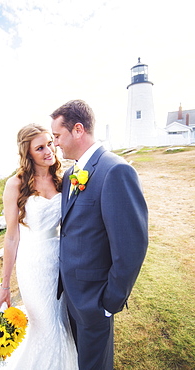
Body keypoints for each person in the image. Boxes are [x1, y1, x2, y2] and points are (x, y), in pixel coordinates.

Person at [0, 124, 78, 370]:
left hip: (61, 260)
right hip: (33, 264)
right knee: (46, 325)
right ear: (28, 153)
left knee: (61, 321)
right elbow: (11, 237)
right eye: (40, 148)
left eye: (49, 143)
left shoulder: (62, 178)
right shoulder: (16, 184)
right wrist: (5, 286)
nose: (48, 151)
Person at [51, 100, 148, 370]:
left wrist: (109, 303)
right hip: (71, 294)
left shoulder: (115, 170)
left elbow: (131, 248)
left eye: (57, 136)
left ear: (78, 130)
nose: (55, 143)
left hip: (95, 301)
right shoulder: (71, 173)